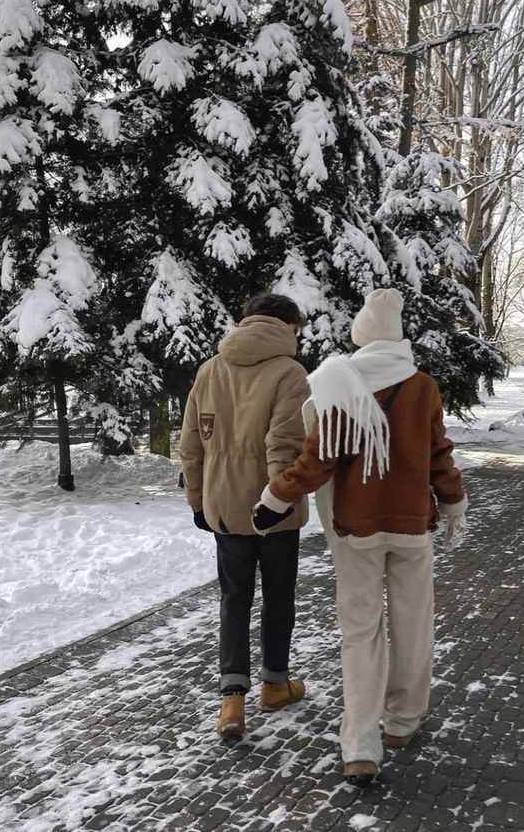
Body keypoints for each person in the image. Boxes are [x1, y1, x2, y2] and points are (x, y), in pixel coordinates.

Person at [252, 289, 468, 785]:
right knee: (414, 627)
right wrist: (454, 504)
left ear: (362, 336)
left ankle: (360, 747)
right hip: (413, 528)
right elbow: (440, 458)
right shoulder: (422, 387)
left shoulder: (338, 385)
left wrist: (274, 499)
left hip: (356, 531)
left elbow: (315, 461)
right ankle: (402, 724)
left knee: (360, 636)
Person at [180, 292, 311, 740]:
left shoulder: (210, 369)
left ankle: (231, 701)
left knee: (234, 598)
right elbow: (284, 445)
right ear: (288, 324)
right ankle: (275, 684)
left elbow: (191, 444)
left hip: (223, 508)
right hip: (274, 510)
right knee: (278, 598)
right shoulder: (289, 372)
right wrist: (276, 501)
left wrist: (198, 501)